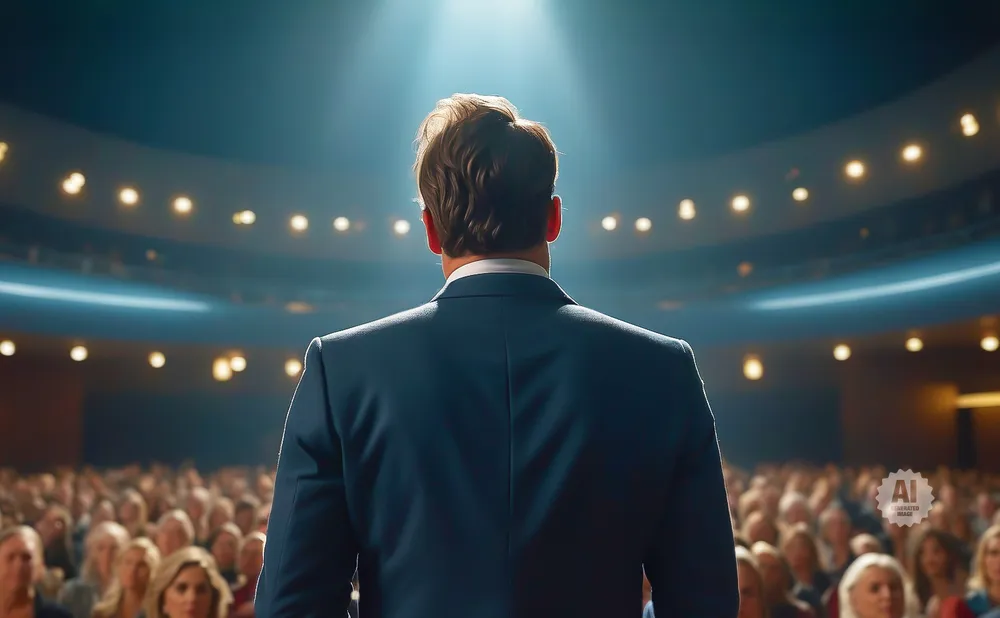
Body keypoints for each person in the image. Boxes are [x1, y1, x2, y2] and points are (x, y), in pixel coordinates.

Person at [255, 93, 738, 618]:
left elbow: (290, 603)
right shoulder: (661, 370)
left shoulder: (342, 371)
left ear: (432, 231)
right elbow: (704, 600)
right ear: (553, 219)